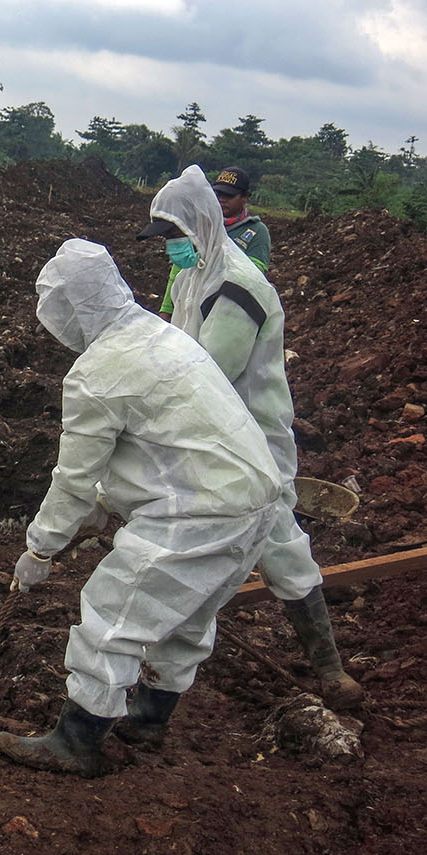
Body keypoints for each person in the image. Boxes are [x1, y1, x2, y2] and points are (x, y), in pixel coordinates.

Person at [0, 239, 281, 777]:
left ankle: (76, 741)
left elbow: (72, 479)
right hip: (255, 499)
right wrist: (107, 502)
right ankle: (148, 720)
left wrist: (40, 548)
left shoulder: (96, 373)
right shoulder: (162, 335)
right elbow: (168, 438)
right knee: (187, 617)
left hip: (199, 512)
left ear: (70, 308)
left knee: (112, 615)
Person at [138, 166, 363, 707]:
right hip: (208, 436)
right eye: (164, 238)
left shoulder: (238, 287)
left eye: (175, 236)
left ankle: (329, 668)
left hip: (249, 438)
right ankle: (159, 688)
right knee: (204, 542)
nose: (170, 247)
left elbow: (208, 375)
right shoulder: (192, 276)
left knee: (280, 543)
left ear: (201, 226)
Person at [157, 166, 270, 320]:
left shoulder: (256, 231)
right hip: (189, 305)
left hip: (227, 313)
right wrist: (166, 310)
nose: (222, 199)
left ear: (245, 197)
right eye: (218, 194)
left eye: (229, 195)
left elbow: (254, 278)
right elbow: (179, 270)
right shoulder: (202, 225)